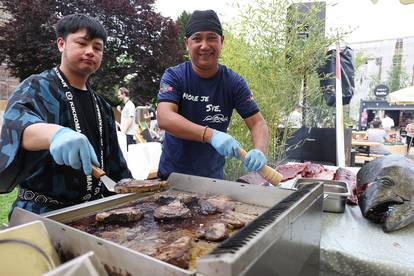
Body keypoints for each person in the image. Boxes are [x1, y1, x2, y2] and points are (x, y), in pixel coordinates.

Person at [0, 14, 131, 215]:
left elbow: (116, 166)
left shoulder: (102, 106)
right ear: (61, 44)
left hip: (92, 212)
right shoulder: (36, 86)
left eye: (97, 47)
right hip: (40, 212)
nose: (90, 52)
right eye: (82, 43)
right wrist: (56, 134)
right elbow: (17, 127)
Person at [156, 10, 269, 180]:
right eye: (197, 38)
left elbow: (257, 123)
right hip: (173, 178)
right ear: (187, 43)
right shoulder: (174, 76)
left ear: (221, 41)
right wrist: (211, 135)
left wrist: (259, 150)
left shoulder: (233, 82)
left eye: (211, 38)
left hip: (213, 180)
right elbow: (164, 117)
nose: (204, 45)